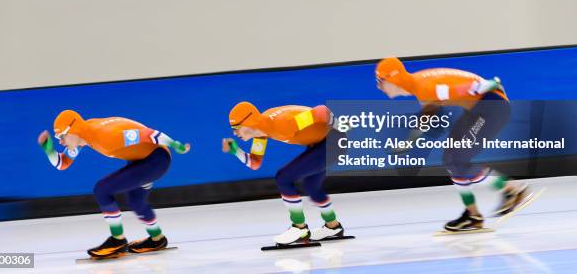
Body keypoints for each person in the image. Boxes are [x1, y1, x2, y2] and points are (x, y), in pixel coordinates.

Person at [375, 57, 530, 232]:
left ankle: (513, 189)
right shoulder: (419, 86)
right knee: (450, 160)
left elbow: (466, 88)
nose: (378, 86)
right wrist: (408, 143)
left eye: (381, 81)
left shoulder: (426, 87)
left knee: (457, 159)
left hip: (492, 107)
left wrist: (490, 84)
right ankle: (472, 216)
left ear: (394, 79)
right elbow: (427, 115)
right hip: (481, 107)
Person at [37, 109, 190, 258]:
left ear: (73, 130)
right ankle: (157, 239)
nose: (61, 141)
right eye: (58, 138)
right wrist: (48, 149)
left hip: (156, 161)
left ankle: (117, 240)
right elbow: (62, 164)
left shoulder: (106, 137)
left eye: (62, 136)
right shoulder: (84, 136)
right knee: (135, 201)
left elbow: (149, 134)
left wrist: (177, 145)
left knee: (102, 190)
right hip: (144, 159)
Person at [222, 102, 347, 245]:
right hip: (320, 142)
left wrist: (342, 128)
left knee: (284, 178)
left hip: (334, 142)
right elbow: (255, 163)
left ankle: (300, 228)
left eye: (237, 128)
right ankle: (333, 226)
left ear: (249, 123)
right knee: (312, 186)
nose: (235, 133)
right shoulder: (261, 131)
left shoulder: (285, 124)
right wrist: (235, 151)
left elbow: (321, 111)